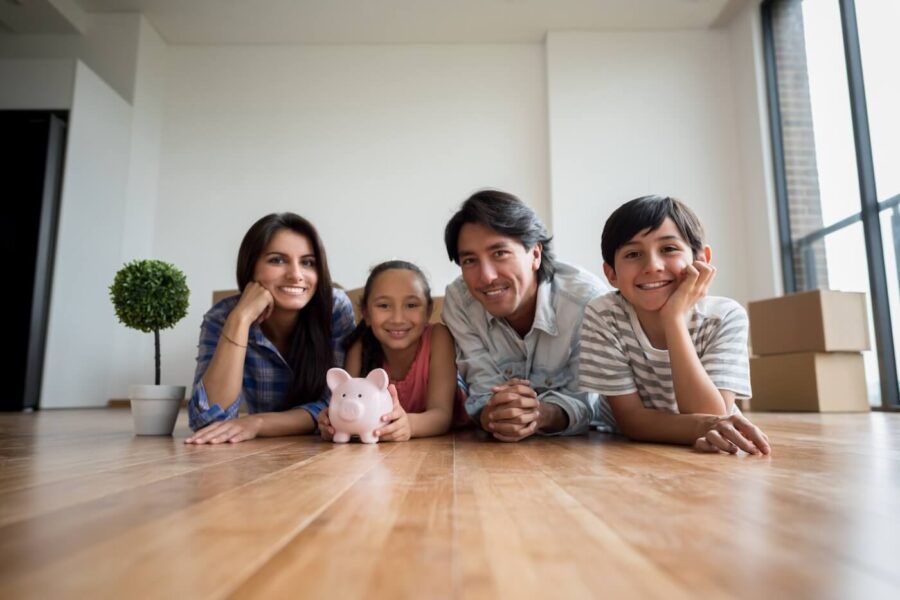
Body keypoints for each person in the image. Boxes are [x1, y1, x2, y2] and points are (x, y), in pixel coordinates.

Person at [579, 195, 771, 454]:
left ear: (701, 258)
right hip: (626, 445)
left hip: (709, 440)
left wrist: (673, 319)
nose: (653, 266)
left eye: (669, 249)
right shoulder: (604, 314)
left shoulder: (725, 316)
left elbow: (711, 416)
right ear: (611, 273)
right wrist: (699, 427)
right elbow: (631, 421)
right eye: (633, 254)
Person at [442, 189, 605, 442]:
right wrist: (493, 414)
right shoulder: (460, 302)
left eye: (500, 253)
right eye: (470, 261)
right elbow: (482, 390)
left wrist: (540, 414)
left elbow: (588, 401)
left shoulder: (586, 301)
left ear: (535, 255)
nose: (486, 277)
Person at [185, 212, 355, 444]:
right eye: (277, 260)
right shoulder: (223, 317)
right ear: (251, 266)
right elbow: (208, 420)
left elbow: (338, 403)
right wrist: (241, 319)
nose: (296, 275)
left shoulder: (334, 308)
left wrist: (257, 423)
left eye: (307, 262)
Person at [317, 261, 468, 442]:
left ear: (428, 311)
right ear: (366, 313)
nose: (398, 318)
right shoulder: (360, 346)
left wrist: (407, 424)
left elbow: (441, 416)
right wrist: (333, 422)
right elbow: (345, 400)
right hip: (383, 446)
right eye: (384, 306)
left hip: (452, 441)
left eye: (411, 305)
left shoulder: (438, 338)